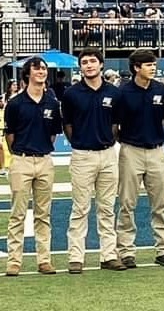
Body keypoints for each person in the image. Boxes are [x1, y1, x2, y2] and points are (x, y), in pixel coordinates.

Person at [61, 48, 125, 273]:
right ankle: (76, 257)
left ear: (101, 65)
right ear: (81, 67)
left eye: (93, 61)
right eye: (85, 62)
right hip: (82, 155)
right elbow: (67, 125)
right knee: (80, 208)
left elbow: (117, 124)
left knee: (107, 208)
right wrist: (80, 142)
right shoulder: (71, 94)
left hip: (108, 154)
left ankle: (109, 255)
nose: (89, 65)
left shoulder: (115, 94)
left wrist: (107, 140)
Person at [113, 50, 164, 268]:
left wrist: (153, 136)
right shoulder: (122, 92)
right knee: (127, 203)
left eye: (154, 64)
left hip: (157, 150)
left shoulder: (161, 89)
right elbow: (115, 125)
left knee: (161, 203)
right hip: (131, 150)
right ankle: (126, 251)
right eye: (148, 64)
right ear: (136, 68)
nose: (153, 68)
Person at [3, 56, 63, 276]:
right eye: (36, 68)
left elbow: (54, 133)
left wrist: (42, 150)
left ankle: (44, 259)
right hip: (21, 159)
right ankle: (14, 261)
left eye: (44, 68)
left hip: (45, 160)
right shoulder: (16, 103)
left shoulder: (52, 102)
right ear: (27, 73)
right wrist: (21, 154)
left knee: (43, 214)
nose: (41, 71)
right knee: (18, 213)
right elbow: (9, 135)